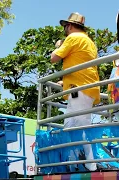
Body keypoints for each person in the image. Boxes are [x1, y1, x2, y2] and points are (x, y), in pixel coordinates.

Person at [51, 12, 99, 171]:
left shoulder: (73, 38)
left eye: (65, 26)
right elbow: (81, 63)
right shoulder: (89, 42)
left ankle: (90, 164)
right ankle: (72, 163)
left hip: (79, 88)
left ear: (70, 26)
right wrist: (64, 81)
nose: (65, 29)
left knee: (79, 125)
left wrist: (59, 45)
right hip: (85, 87)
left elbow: (54, 58)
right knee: (69, 125)